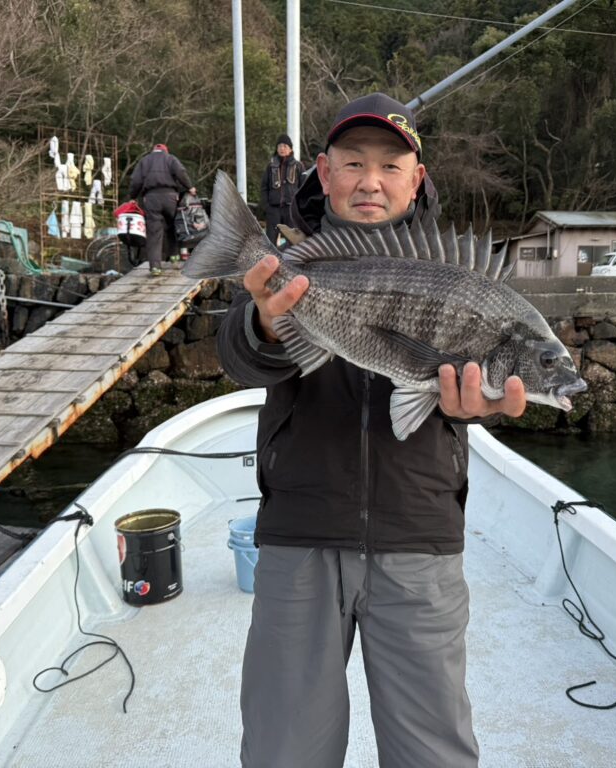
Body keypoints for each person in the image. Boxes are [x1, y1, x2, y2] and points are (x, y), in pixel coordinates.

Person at [216, 92, 528, 768]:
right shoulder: (295, 268)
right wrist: (265, 321)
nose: (370, 181)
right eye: (354, 163)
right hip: (300, 532)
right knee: (283, 751)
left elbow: (475, 391)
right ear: (324, 173)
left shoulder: (458, 276)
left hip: (420, 535)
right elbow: (239, 359)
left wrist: (475, 406)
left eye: (391, 166)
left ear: (417, 180)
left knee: (434, 752)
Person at [128, 142, 197, 275]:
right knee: (173, 226)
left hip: (151, 198)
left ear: (153, 150)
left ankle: (155, 267)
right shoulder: (170, 158)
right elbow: (181, 172)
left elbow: (136, 180)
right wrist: (189, 187)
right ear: (166, 151)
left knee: (154, 232)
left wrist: (133, 196)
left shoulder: (145, 161)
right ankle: (174, 257)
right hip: (170, 197)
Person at [259, 134, 305, 245]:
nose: (282, 148)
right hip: (273, 210)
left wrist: (299, 208)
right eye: (279, 146)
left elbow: (304, 188)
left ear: (290, 149)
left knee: (293, 242)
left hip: (291, 210)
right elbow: (264, 187)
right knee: (270, 242)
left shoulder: (298, 166)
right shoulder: (270, 167)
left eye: (285, 146)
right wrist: (266, 206)